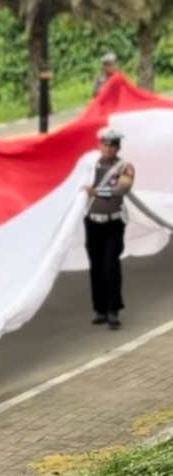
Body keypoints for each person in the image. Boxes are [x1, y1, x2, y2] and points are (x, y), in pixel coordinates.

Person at [82, 128, 134, 330]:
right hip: (93, 222)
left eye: (112, 146)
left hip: (114, 223)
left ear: (118, 148)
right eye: (105, 145)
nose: (108, 149)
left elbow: (122, 189)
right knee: (96, 267)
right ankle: (100, 309)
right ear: (100, 145)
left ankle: (113, 310)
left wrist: (96, 191)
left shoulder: (125, 167)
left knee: (111, 266)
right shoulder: (89, 166)